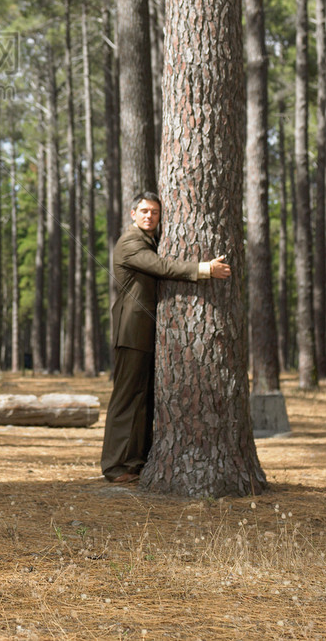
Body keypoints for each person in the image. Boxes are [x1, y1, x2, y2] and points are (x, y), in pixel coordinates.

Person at [100, 191, 231, 484]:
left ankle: (134, 460)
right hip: (132, 332)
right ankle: (114, 466)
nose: (149, 216)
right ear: (133, 214)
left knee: (143, 397)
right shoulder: (130, 242)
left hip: (145, 332)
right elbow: (161, 267)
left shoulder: (150, 241)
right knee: (127, 398)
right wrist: (204, 269)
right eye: (144, 211)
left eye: (155, 212)